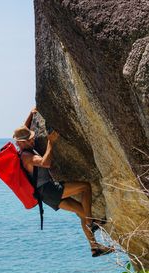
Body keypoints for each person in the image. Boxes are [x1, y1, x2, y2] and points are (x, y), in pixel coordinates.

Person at [13, 108, 115, 257]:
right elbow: (45, 163)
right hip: (48, 189)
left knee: (82, 211)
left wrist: (31, 113)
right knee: (85, 187)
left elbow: (23, 129)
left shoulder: (23, 147)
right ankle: (90, 222)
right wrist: (51, 142)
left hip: (44, 195)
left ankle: (94, 247)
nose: (32, 139)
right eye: (29, 139)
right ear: (22, 143)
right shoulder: (27, 156)